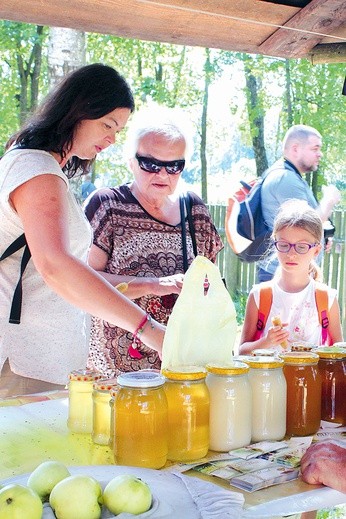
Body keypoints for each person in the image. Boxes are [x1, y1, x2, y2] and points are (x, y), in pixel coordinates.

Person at [0, 63, 166, 399]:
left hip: (42, 363)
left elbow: (73, 274)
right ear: (76, 111)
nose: (112, 138)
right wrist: (147, 329)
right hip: (22, 364)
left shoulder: (42, 168)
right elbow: (56, 267)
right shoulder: (36, 171)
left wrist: (149, 288)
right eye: (107, 124)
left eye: (118, 130)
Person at [84, 106, 223, 377]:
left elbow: (212, 283)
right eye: (150, 164)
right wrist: (152, 285)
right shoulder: (107, 206)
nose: (162, 174)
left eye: (174, 166)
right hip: (114, 374)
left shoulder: (194, 211)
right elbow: (84, 284)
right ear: (130, 161)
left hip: (182, 367)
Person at [239, 200, 343, 355]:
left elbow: (338, 353)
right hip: (267, 378)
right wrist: (266, 341)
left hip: (311, 379)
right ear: (275, 244)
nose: (291, 253)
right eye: (284, 245)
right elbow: (242, 351)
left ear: (316, 251)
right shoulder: (260, 296)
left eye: (301, 247)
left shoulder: (326, 298)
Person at [257, 124, 341, 282]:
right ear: (295, 149)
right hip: (284, 277)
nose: (319, 154)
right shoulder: (285, 179)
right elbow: (304, 223)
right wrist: (329, 199)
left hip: (288, 274)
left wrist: (320, 238)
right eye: (314, 148)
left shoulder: (288, 176)